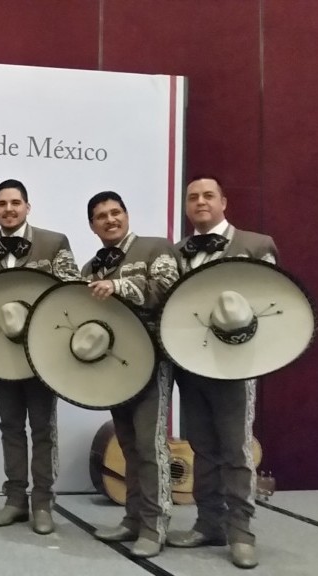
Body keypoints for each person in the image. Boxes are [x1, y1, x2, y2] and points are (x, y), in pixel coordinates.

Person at [166, 176, 278, 569]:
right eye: (193, 197)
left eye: (208, 195)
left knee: (235, 449)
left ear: (224, 202)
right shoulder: (175, 252)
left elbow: (272, 305)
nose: (200, 202)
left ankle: (241, 533)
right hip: (190, 365)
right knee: (202, 447)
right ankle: (208, 524)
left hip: (236, 368)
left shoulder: (256, 245)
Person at [0, 179, 79, 534]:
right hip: (1, 355)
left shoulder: (54, 242)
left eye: (15, 203)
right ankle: (15, 500)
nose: (9, 209)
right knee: (10, 427)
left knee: (43, 428)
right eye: (2, 204)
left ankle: (44, 503)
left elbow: (70, 292)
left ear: (27, 207)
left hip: (43, 354)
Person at [81, 191, 179, 558]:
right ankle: (134, 518)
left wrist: (118, 286)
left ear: (126, 214)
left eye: (115, 212)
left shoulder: (157, 248)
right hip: (113, 368)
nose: (110, 220)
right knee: (128, 445)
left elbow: (167, 290)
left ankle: (155, 526)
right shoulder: (90, 268)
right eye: (101, 216)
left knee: (150, 447)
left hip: (153, 362)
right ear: (92, 226)